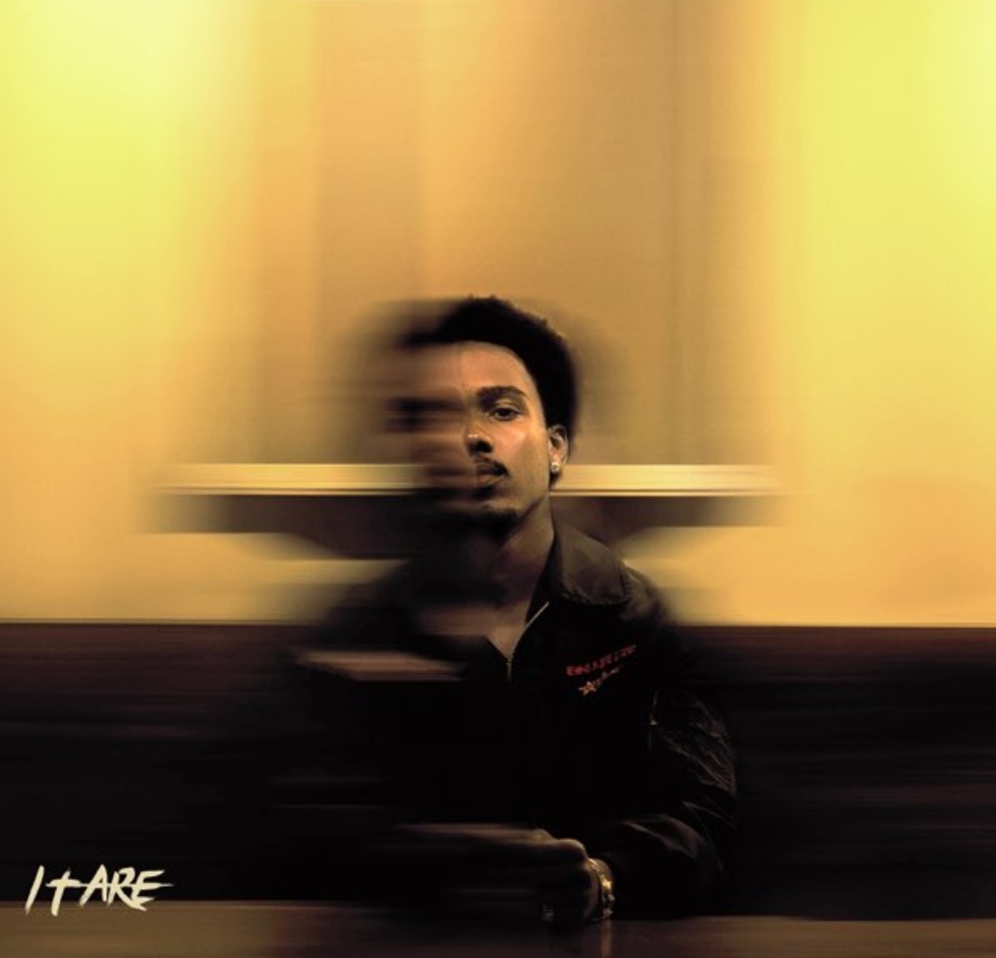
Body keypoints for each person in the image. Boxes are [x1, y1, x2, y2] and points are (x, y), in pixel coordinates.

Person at [286, 296, 736, 926]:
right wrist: (443, 864)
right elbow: (307, 833)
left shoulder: (630, 616)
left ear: (556, 448)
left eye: (501, 410)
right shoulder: (357, 629)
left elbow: (701, 817)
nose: (470, 437)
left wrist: (602, 879)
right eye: (438, 417)